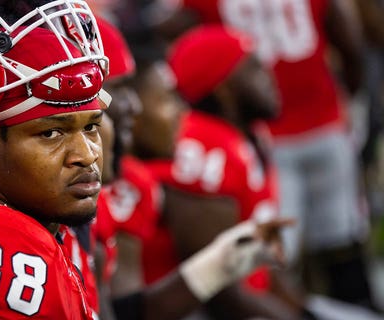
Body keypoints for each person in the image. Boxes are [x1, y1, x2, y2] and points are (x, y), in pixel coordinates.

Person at [0, 1, 292, 319]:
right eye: (51, 133)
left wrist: (222, 262)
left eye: (91, 125)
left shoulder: (40, 210)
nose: (86, 154)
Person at [156, 0, 375, 310]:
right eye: (256, 67)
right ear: (224, 88)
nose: (271, 76)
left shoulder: (253, 138)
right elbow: (222, 287)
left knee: (323, 253)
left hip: (309, 130)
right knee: (321, 249)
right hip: (323, 123)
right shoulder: (207, 152)